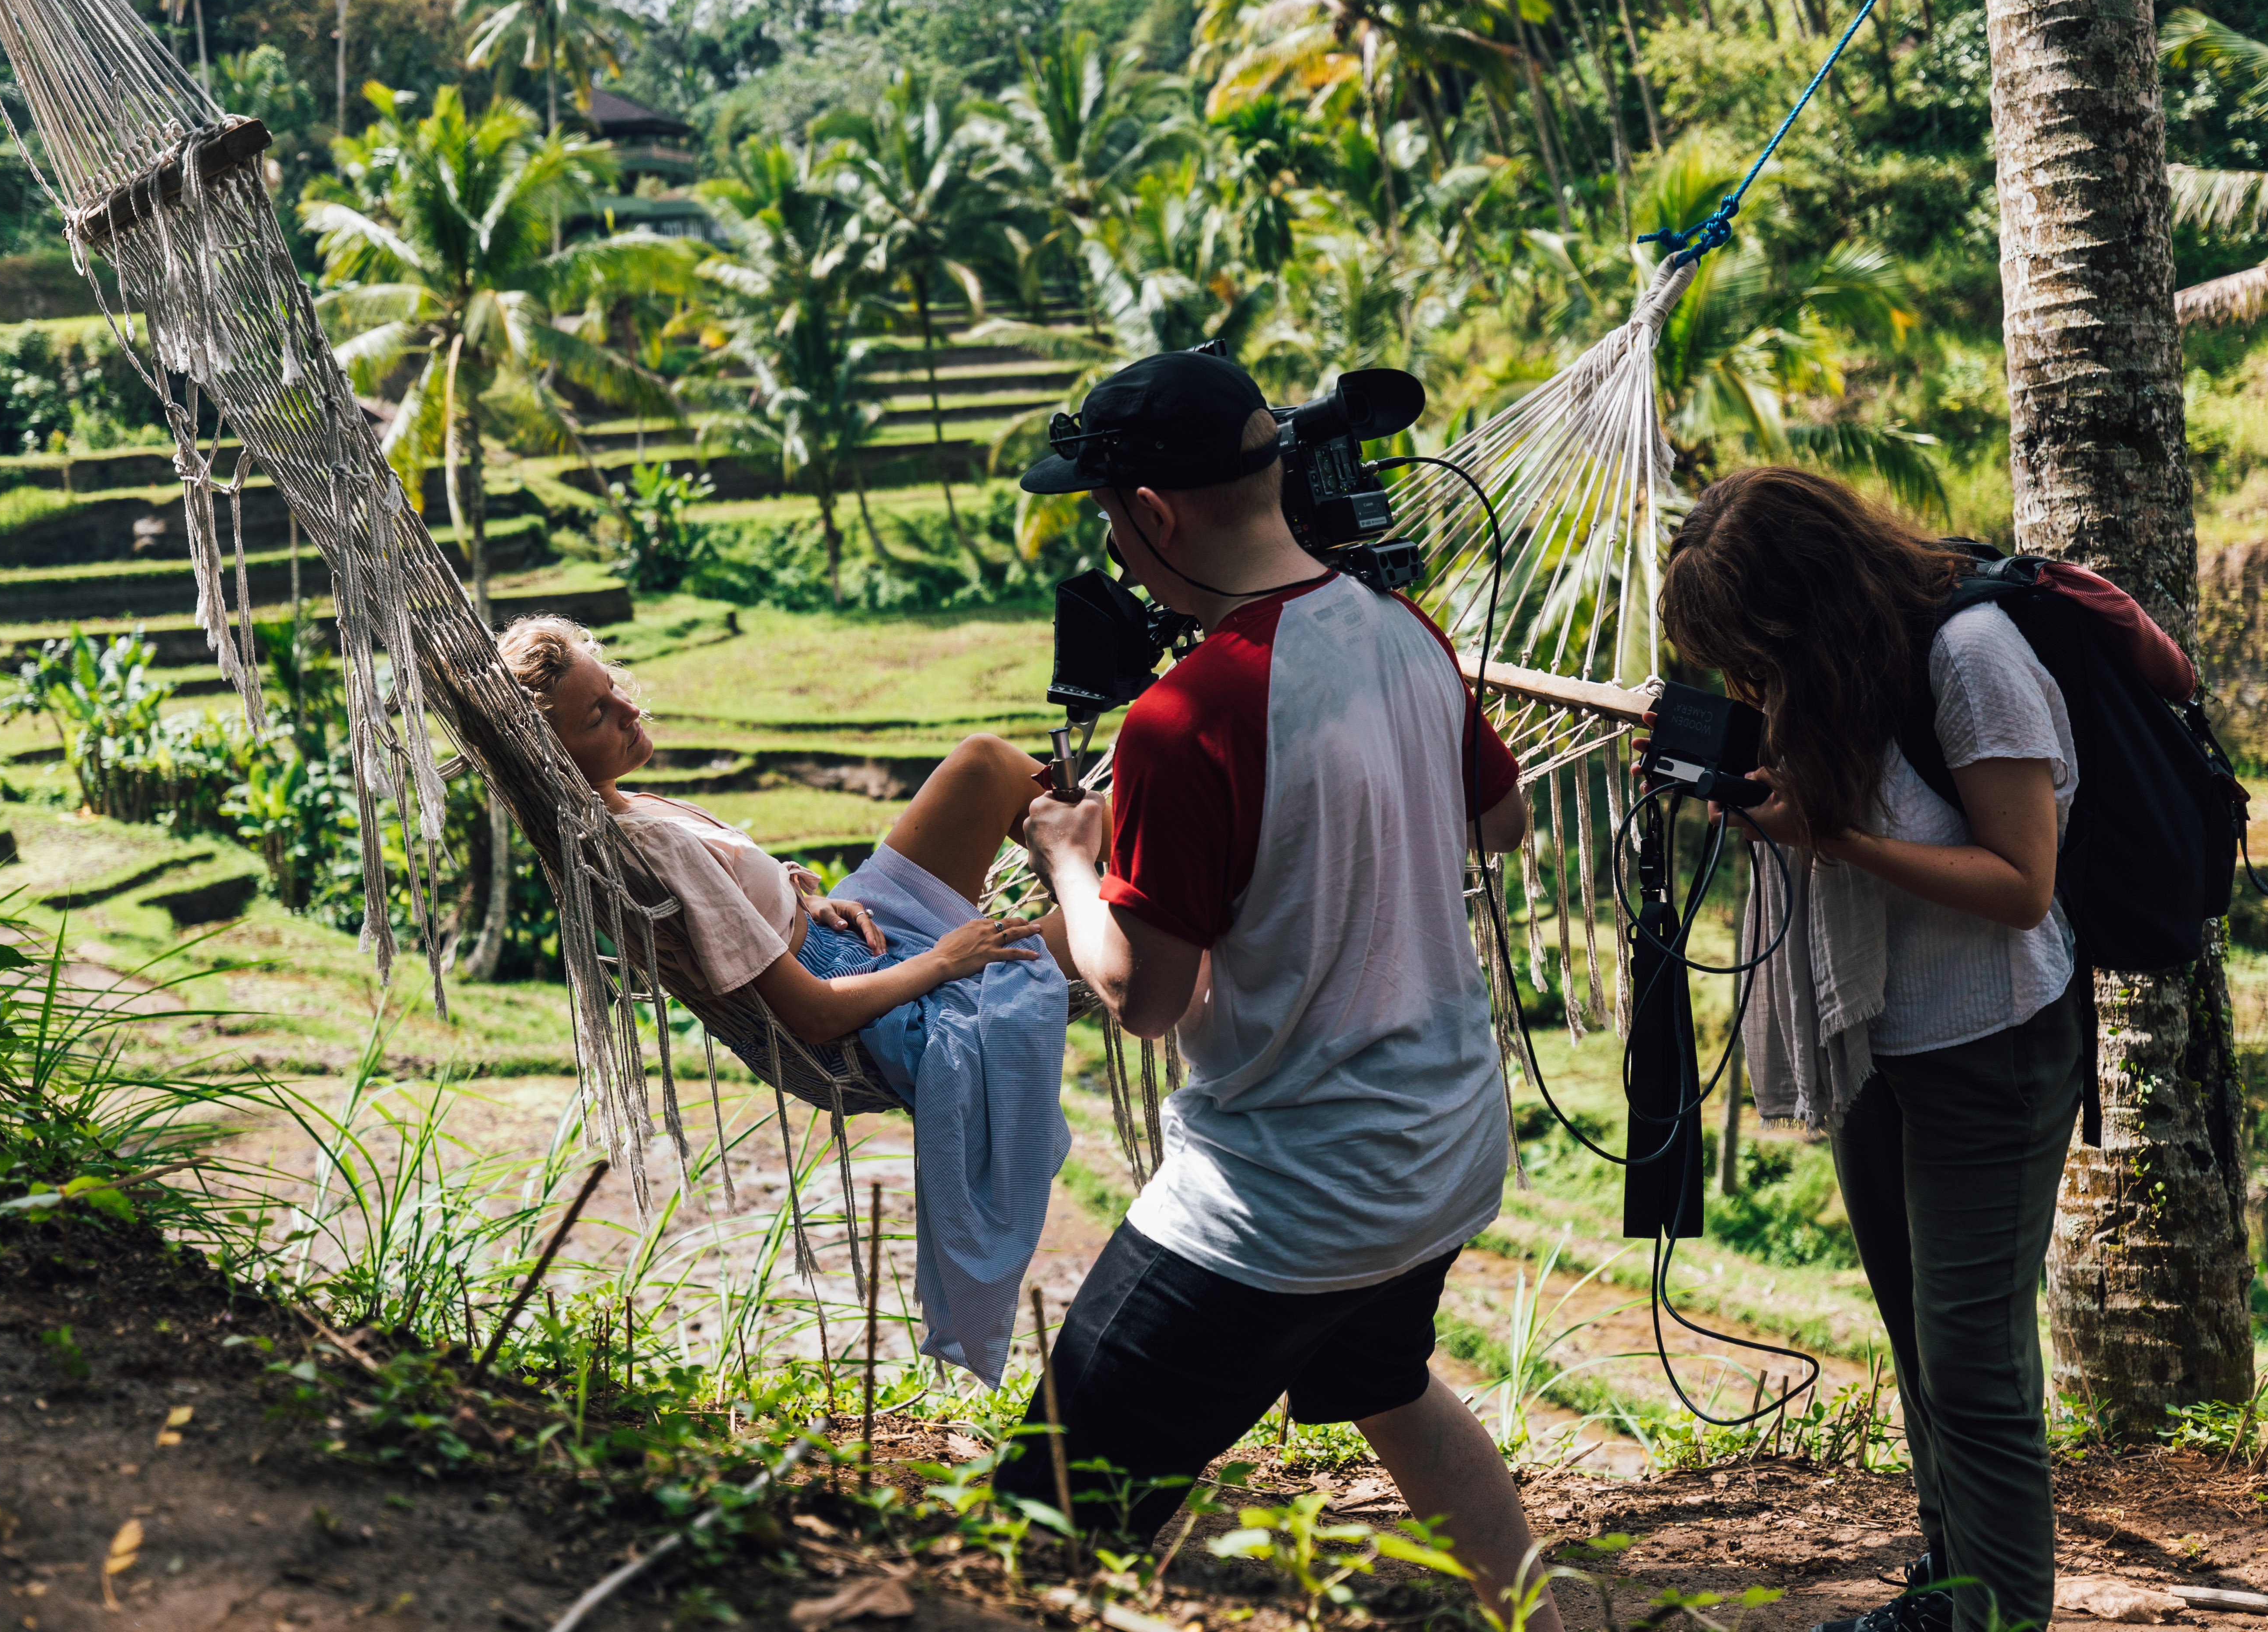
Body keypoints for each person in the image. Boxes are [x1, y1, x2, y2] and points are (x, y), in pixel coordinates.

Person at [1002, 349, 1560, 1631]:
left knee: (1054, 1516)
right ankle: (1538, 1615)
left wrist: (1070, 862)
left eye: (1114, 525)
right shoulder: (1400, 630)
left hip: (1290, 1199)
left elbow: (1142, 997)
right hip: (1441, 1151)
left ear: (1152, 512)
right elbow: (1503, 821)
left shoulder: (1185, 715)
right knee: (1390, 1382)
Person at [1661, 465, 2083, 1632]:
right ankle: (1950, 1593)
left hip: (1992, 1045)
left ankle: (1998, 1618)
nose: (1752, 675)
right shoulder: (1833, 670)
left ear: (1813, 598)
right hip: (1879, 1045)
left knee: (1975, 1367)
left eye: (1756, 647)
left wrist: (1828, 834)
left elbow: (2021, 884)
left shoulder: (1972, 658)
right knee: (1917, 1339)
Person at [496, 614, 1074, 1383]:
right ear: (553, 757)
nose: (631, 712)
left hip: (849, 937)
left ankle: (1109, 845)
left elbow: (738, 910)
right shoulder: (647, 845)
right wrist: (943, 961)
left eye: (615, 693)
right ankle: (1125, 862)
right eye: (599, 715)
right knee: (1112, 921)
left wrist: (805, 897)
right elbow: (814, 1015)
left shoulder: (624, 807)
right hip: (875, 1010)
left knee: (985, 765)